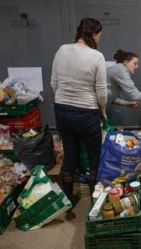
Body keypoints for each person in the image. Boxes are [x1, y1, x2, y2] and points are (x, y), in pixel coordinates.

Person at [51, 17, 107, 205]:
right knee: (94, 155)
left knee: (71, 152)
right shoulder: (96, 56)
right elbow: (101, 92)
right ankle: (95, 200)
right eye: (99, 35)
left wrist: (65, 101)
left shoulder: (61, 50)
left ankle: (68, 199)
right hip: (86, 112)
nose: (99, 39)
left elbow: (54, 83)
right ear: (92, 34)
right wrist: (103, 110)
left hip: (61, 111)